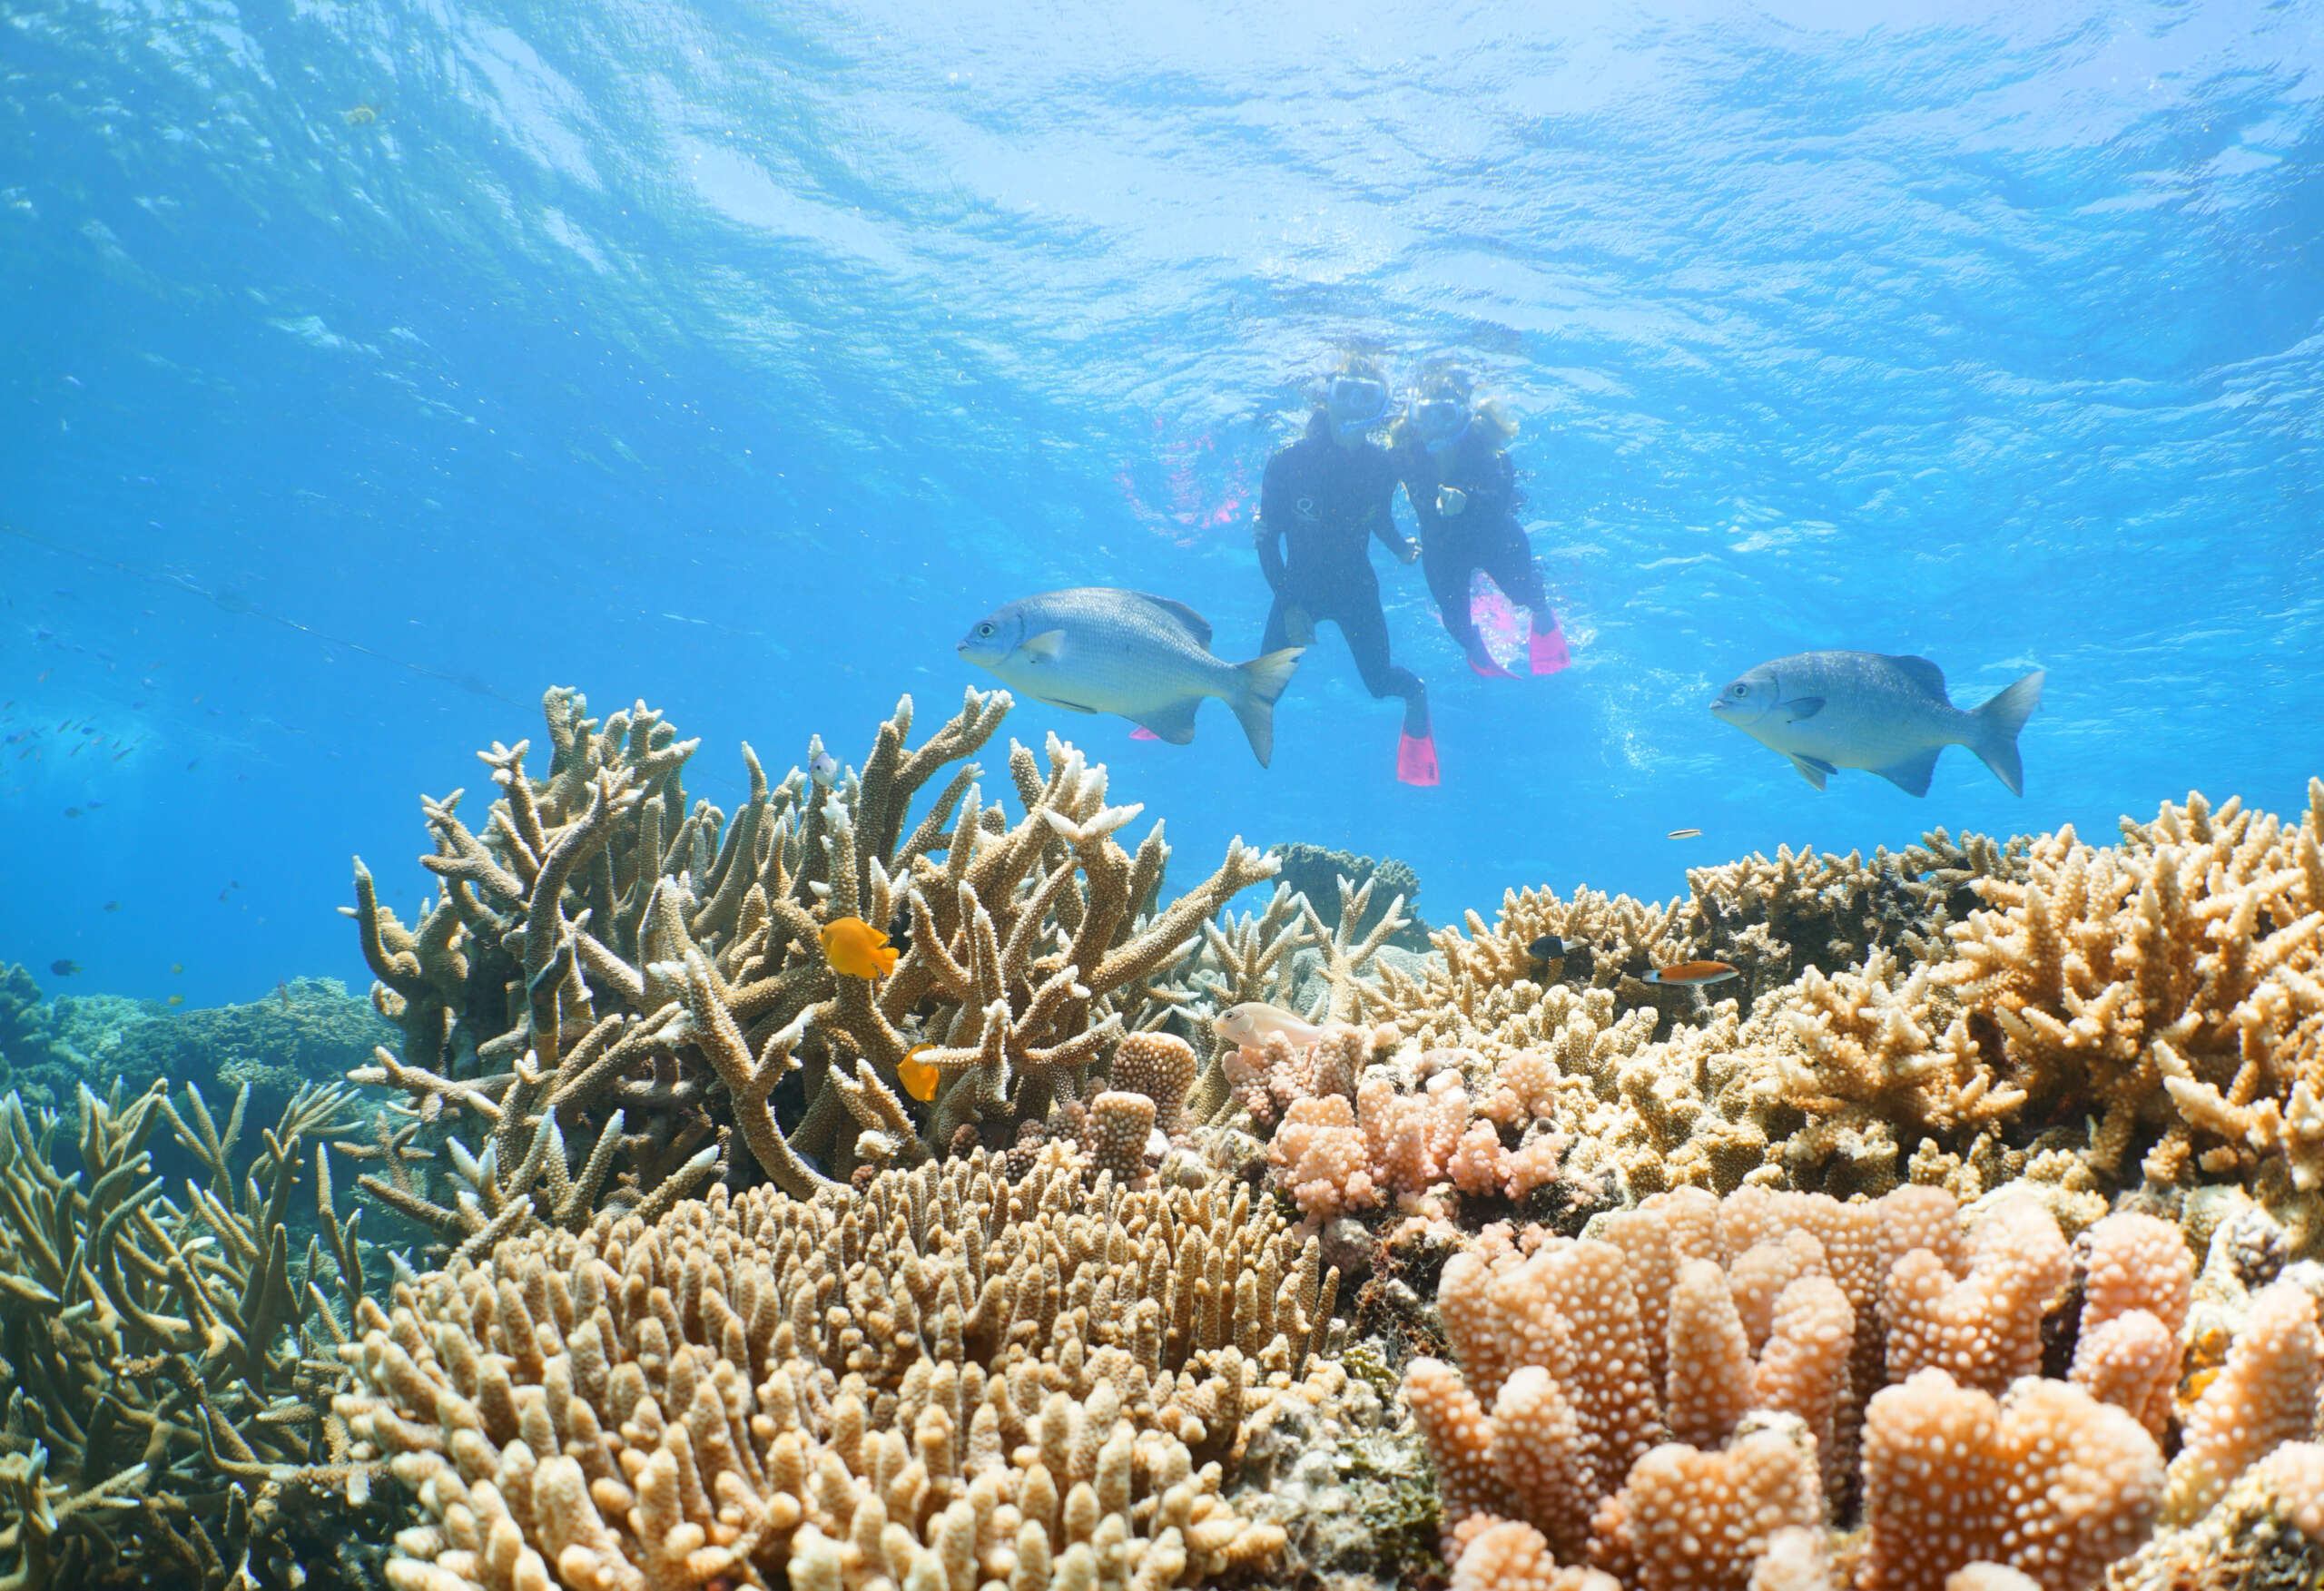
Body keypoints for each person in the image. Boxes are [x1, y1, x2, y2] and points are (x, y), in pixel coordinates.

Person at [1256, 358, 1438, 786]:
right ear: (1328, 397)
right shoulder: (1287, 462)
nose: (1356, 404)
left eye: (1368, 395)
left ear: (1382, 404)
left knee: (1380, 683)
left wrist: (1400, 548)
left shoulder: (1383, 464)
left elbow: (1378, 517)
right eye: (1346, 392)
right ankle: (1171, 708)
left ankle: (1418, 712)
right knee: (1260, 690)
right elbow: (1267, 539)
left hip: (1357, 588)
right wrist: (1290, 605)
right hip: (1297, 587)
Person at [1389, 366, 1569, 679]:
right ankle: (1474, 646)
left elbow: (1499, 499)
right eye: (1426, 415)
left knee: (1525, 593)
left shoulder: (1488, 454)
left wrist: (1466, 499)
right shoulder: (1406, 455)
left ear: (1464, 418)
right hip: (1441, 549)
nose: (1435, 427)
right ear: (1414, 418)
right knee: (1455, 621)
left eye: (1445, 415)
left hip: (1493, 539)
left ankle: (1542, 615)